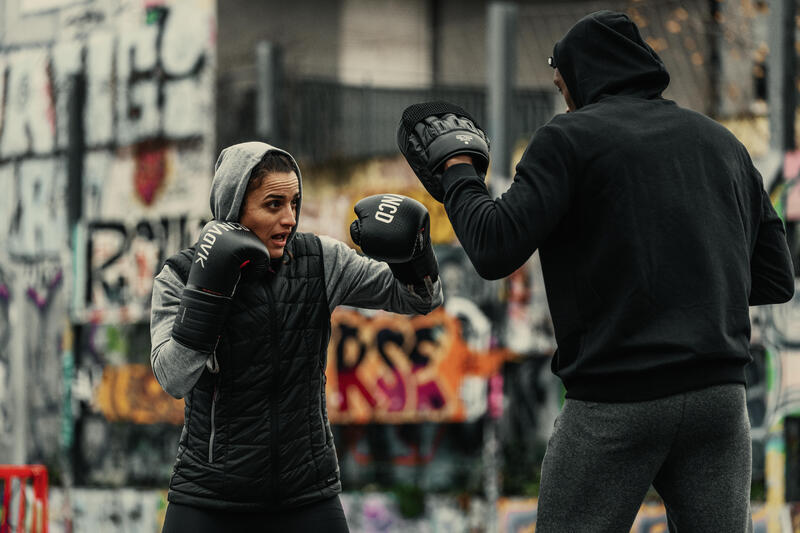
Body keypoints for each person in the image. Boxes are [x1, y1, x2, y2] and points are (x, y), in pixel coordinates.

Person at [396, 10, 795, 532]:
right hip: (718, 403)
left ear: (581, 77)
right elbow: (775, 279)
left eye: (563, 85)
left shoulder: (568, 140)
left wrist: (457, 173)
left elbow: (493, 248)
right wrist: (695, 285)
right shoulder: (722, 143)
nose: (565, 99)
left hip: (617, 401)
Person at [149, 141, 442, 533]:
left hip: (306, 491)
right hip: (209, 493)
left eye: (295, 203)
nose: (289, 218)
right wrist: (207, 294)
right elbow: (173, 378)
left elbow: (417, 299)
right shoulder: (182, 275)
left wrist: (416, 256)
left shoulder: (320, 261)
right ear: (236, 208)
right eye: (273, 205)